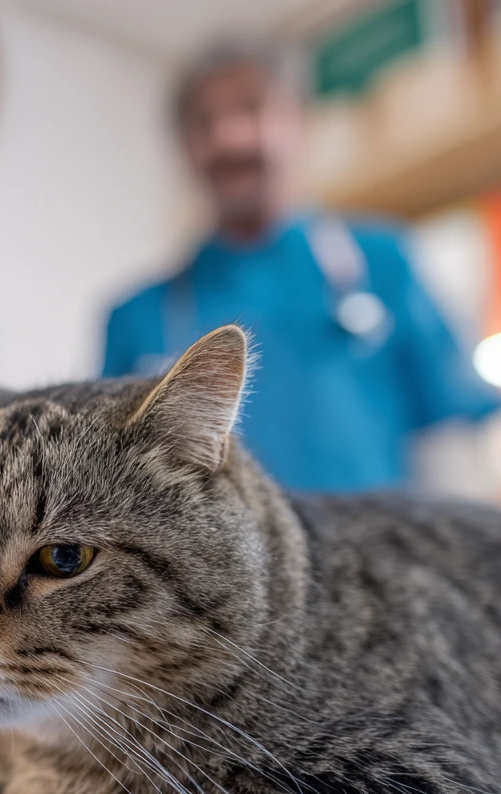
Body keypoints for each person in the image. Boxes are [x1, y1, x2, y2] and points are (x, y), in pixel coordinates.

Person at [102, 40, 499, 494]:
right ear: (184, 149)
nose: (228, 137)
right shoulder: (135, 316)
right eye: (203, 121)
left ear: (300, 123)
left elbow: (450, 433)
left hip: (371, 557)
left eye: (252, 108)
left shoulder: (384, 262)